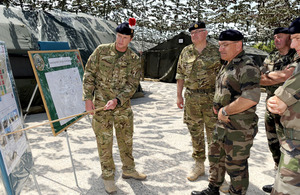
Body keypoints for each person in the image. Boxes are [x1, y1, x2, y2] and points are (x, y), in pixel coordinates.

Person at [191, 29, 261, 195]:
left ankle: (237, 192)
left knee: (235, 165)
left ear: (239, 45)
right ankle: (213, 189)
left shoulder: (246, 66)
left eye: (225, 45)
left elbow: (250, 98)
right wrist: (218, 105)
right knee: (216, 157)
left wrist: (225, 110)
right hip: (223, 123)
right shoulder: (228, 64)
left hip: (239, 127)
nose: (220, 48)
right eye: (220, 45)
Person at [82, 18, 146, 194]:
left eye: (124, 38)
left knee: (126, 140)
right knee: (104, 142)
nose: (120, 40)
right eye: (118, 36)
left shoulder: (133, 58)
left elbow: (132, 85)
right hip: (101, 106)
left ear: (130, 39)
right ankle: (108, 176)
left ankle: (129, 169)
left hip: (122, 107)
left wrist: (117, 100)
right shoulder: (101, 51)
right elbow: (89, 74)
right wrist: (88, 99)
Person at [176, 21, 221, 181]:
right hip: (191, 98)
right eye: (192, 33)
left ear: (206, 33)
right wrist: (179, 95)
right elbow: (180, 74)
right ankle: (199, 164)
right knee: (195, 133)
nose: (194, 35)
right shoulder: (186, 51)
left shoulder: (216, 51)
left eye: (197, 32)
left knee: (214, 135)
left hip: (212, 98)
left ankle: (216, 171)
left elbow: (225, 76)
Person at [260, 27, 298, 193]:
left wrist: (265, 78)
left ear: (289, 38)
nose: (276, 39)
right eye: (274, 37)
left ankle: (287, 181)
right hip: (271, 108)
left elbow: (286, 76)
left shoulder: (295, 55)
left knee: (290, 147)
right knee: (274, 144)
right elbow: (263, 77)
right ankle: (278, 178)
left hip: (291, 112)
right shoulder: (271, 57)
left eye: (280, 36)